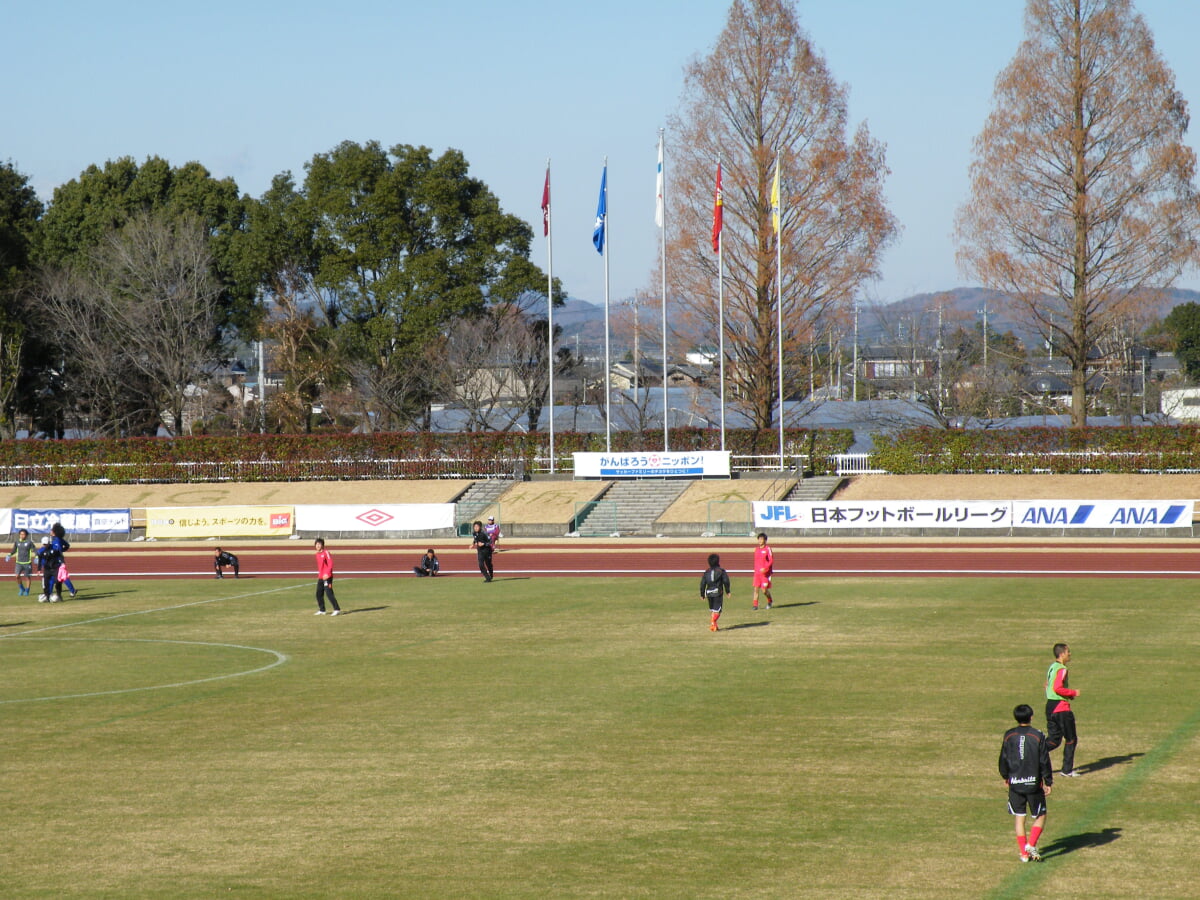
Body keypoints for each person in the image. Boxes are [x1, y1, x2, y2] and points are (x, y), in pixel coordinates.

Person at [999, 703, 1053, 863]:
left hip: (1015, 782)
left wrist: (1005, 776)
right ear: (1031, 717)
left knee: (1019, 817)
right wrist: (1048, 780)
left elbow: (1003, 758)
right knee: (1041, 815)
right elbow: (1044, 760)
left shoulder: (1008, 735)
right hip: (1033, 783)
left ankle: (1023, 854)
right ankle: (1031, 844)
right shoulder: (1037, 735)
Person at [1044, 643, 1081, 777]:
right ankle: (1067, 770)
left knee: (1054, 740)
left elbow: (1047, 685)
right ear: (1062, 654)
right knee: (1071, 739)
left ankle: (1033, 753)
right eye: (1068, 652)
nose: (1070, 654)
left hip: (1050, 706)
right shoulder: (1062, 669)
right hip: (1061, 708)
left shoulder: (1052, 668)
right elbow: (1057, 688)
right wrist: (1073, 692)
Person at [701, 552, 731, 631]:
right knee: (718, 611)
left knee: (713, 610)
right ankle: (713, 621)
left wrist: (702, 594)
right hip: (717, 593)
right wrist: (728, 591)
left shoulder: (706, 572)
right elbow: (726, 581)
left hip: (709, 593)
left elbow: (702, 583)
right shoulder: (721, 571)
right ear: (718, 561)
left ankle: (714, 626)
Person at [313, 537, 342, 616]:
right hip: (321, 577)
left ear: (322, 545)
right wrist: (321, 575)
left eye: (319, 544)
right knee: (318, 594)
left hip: (327, 577)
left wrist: (327, 574)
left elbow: (330, 564)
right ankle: (322, 610)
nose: (317, 546)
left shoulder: (326, 553)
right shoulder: (317, 554)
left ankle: (337, 609)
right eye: (316, 544)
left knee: (329, 593)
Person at [50, 523, 78, 598]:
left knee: (54, 577)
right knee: (62, 577)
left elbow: (57, 549)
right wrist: (62, 550)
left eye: (52, 530)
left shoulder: (56, 540)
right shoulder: (58, 539)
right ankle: (72, 591)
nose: (50, 531)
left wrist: (58, 552)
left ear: (55, 532)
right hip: (60, 561)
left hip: (57, 562)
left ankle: (48, 594)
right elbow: (67, 545)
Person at [6, 528, 36, 596]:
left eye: (23, 534)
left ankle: (27, 590)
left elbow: (34, 550)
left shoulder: (29, 542)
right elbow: (14, 550)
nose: (22, 536)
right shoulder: (17, 542)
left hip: (27, 562)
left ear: (26, 535)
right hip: (18, 562)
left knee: (27, 577)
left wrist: (36, 557)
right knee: (17, 576)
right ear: (19, 535)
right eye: (21, 534)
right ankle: (22, 588)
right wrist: (9, 555)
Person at [36, 536, 63, 602]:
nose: (45, 545)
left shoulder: (55, 549)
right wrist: (39, 569)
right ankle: (47, 596)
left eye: (46, 544)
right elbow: (39, 560)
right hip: (47, 569)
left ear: (49, 543)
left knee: (58, 582)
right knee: (46, 583)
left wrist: (62, 563)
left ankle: (59, 595)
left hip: (55, 568)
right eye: (44, 544)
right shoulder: (41, 551)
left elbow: (60, 556)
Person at [752, 532, 774, 611]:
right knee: (756, 589)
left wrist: (766, 568)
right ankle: (755, 605)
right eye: (759, 539)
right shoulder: (756, 549)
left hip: (765, 574)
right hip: (757, 573)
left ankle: (770, 601)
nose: (760, 541)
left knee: (764, 590)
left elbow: (771, 560)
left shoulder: (768, 549)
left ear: (765, 540)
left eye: (762, 539)